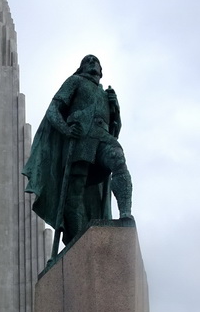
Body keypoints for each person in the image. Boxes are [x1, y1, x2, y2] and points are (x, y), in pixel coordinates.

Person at [23, 54, 132, 247]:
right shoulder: (75, 81)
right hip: (81, 139)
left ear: (101, 69)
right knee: (76, 189)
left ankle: (125, 214)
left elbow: (116, 129)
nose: (91, 63)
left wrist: (115, 108)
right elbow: (53, 110)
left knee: (118, 160)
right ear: (81, 68)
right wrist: (66, 129)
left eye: (95, 61)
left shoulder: (105, 93)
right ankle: (79, 239)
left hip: (102, 136)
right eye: (87, 61)